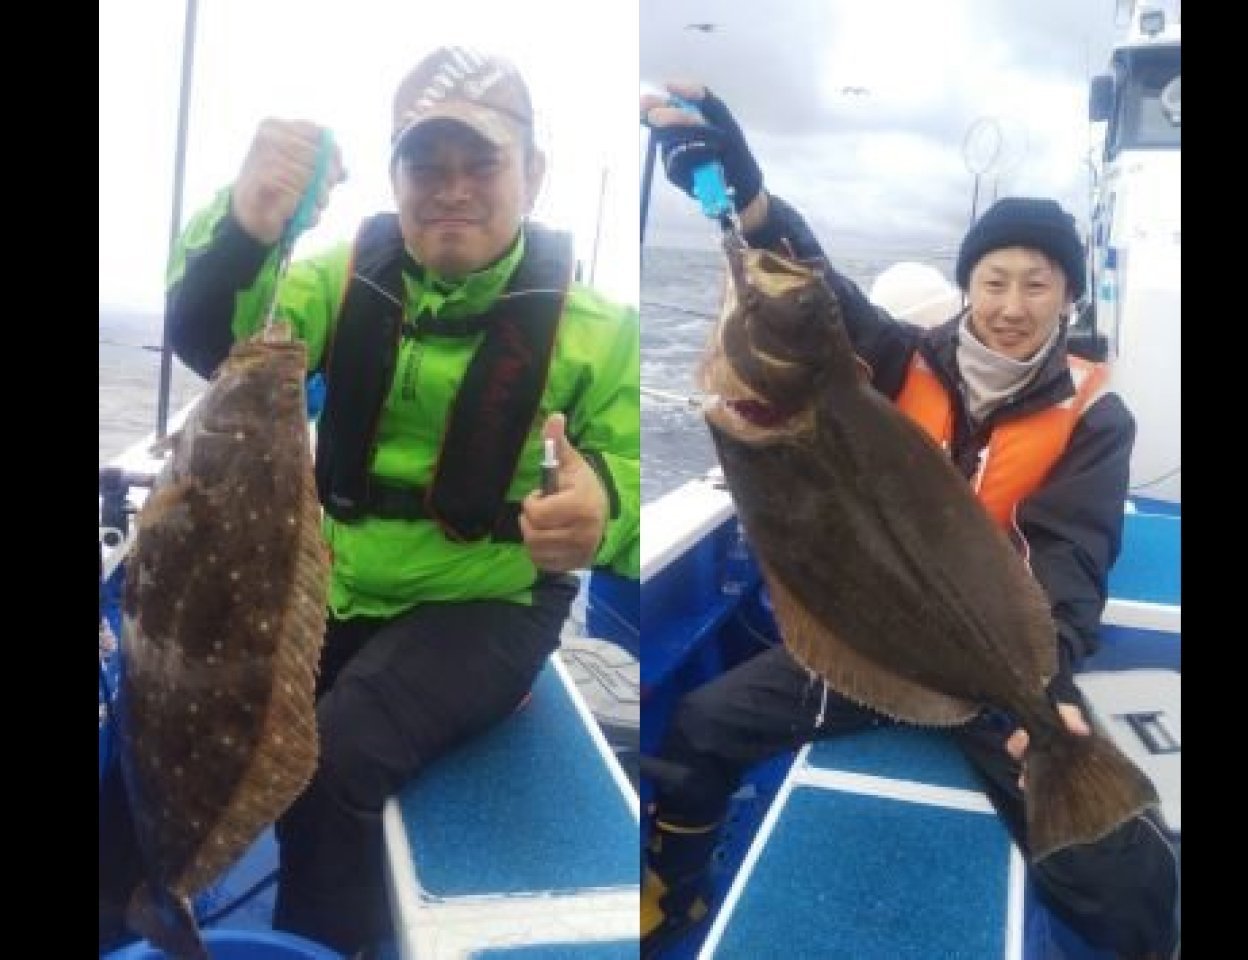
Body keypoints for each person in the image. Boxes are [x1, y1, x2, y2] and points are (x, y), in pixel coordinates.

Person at [638, 83, 1179, 960]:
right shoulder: (899, 356)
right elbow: (817, 296)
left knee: (1128, 881)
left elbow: (1072, 557)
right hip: (872, 639)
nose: (1011, 305)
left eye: (1036, 284)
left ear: (1067, 297)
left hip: (998, 664)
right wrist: (748, 198)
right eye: (993, 281)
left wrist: (1042, 695)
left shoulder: (1095, 420)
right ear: (967, 287)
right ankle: (675, 892)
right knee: (700, 723)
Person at [162, 46, 640, 956]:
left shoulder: (600, 330)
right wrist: (248, 228)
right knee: (215, 722)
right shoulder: (333, 282)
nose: (451, 189)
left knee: (331, 757)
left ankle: (319, 943)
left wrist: (603, 511)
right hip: (336, 585)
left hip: (489, 603)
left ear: (534, 173)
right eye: (426, 166)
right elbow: (212, 342)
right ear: (395, 179)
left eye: (481, 163)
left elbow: (627, 478)